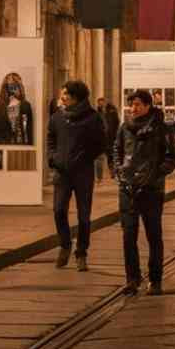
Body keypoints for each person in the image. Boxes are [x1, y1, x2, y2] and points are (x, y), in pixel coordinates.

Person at [111, 89, 175, 296]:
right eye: (132, 104)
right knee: (128, 235)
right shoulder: (125, 128)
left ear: (148, 106)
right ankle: (132, 279)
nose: (134, 108)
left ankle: (155, 280)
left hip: (151, 189)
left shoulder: (161, 128)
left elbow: (172, 156)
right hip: (127, 189)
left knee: (153, 235)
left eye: (138, 104)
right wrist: (119, 172)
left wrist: (156, 174)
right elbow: (117, 150)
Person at [47, 80, 106, 271]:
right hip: (62, 173)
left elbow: (101, 143)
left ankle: (81, 252)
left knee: (84, 216)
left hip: (83, 173)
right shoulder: (57, 117)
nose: (62, 97)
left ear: (76, 97)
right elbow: (51, 138)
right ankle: (65, 244)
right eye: (63, 93)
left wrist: (85, 157)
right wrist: (52, 158)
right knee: (58, 211)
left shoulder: (92, 117)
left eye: (66, 94)